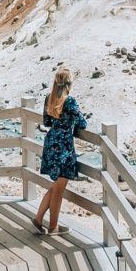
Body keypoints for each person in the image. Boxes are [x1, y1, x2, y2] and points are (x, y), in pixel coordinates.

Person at [33, 67, 88, 236]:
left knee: (56, 186)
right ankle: (53, 227)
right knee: (59, 189)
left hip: (51, 142)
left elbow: (47, 122)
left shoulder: (49, 98)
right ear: (69, 84)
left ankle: (39, 219)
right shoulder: (69, 101)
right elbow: (82, 123)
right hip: (64, 145)